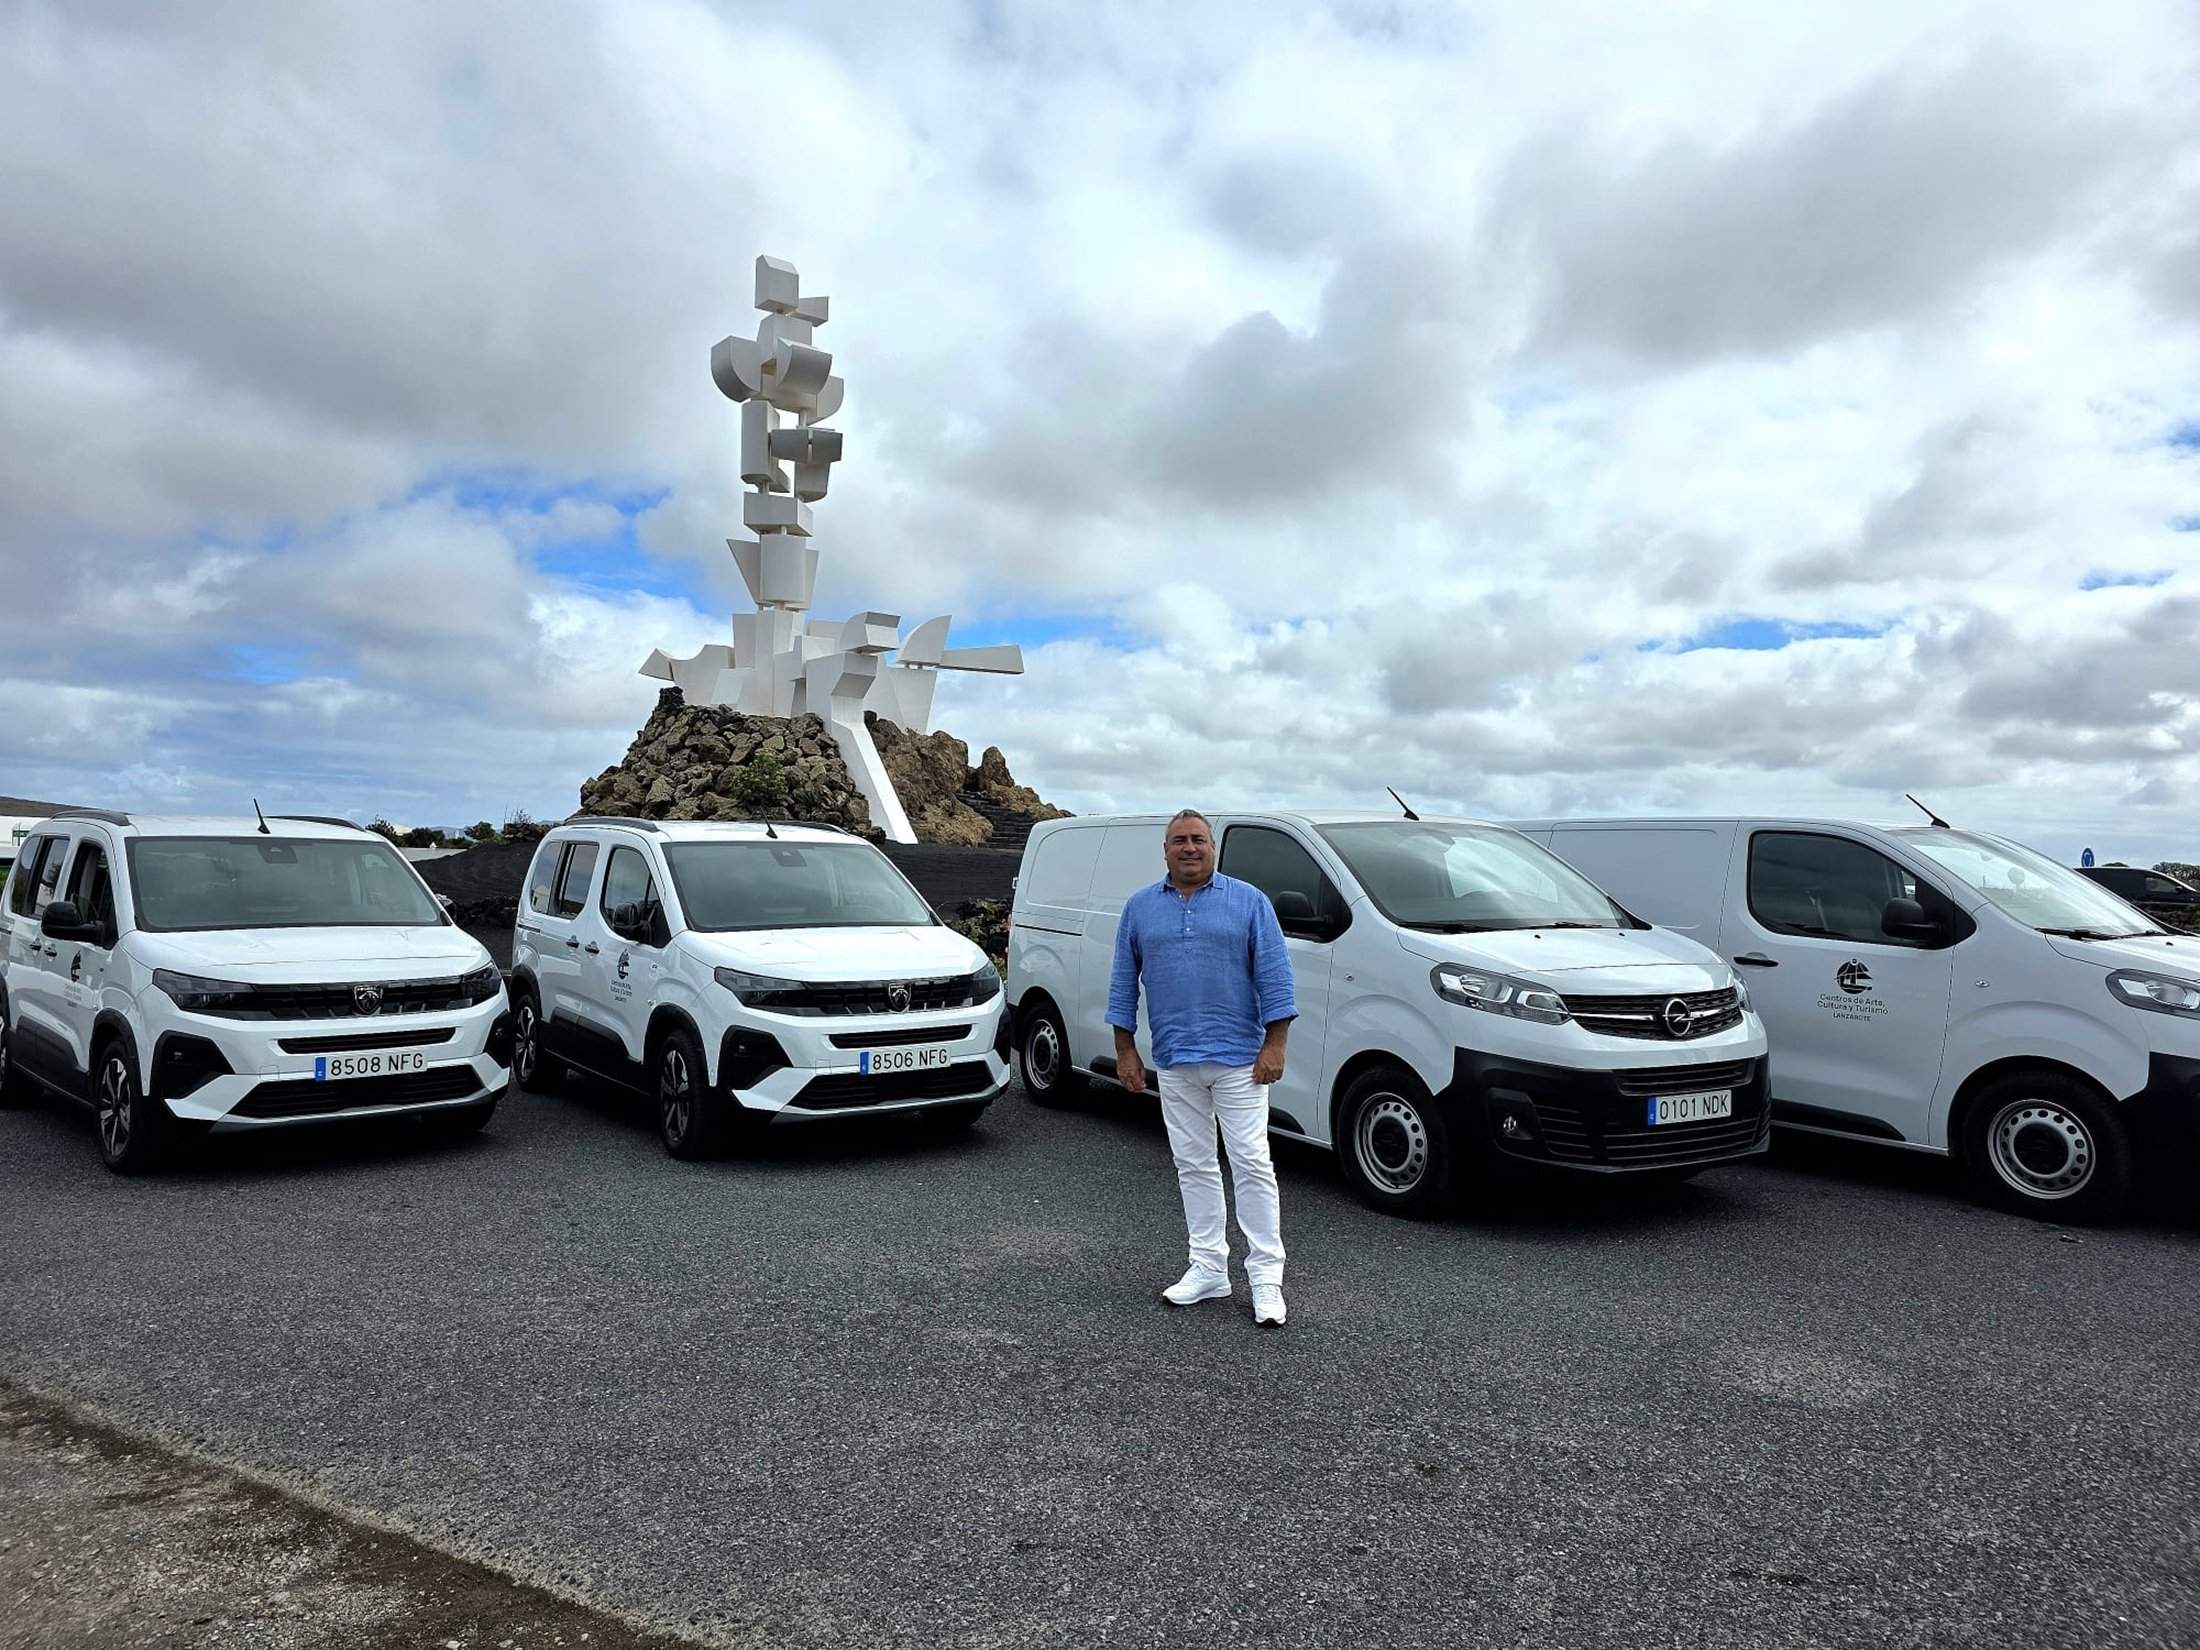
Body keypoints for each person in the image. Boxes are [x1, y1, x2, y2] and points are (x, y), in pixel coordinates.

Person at [1107, 809, 1296, 1326]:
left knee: (1253, 1164)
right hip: (1173, 1060)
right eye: (1178, 841)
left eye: (1198, 840)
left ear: (1213, 848)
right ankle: (1209, 1267)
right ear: (1164, 850)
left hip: (1240, 1061)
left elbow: (1276, 977)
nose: (1189, 848)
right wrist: (1126, 1050)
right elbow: (1124, 982)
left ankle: (1266, 1280)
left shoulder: (1249, 902)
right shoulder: (1141, 908)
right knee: (1193, 1165)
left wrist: (1274, 1045)